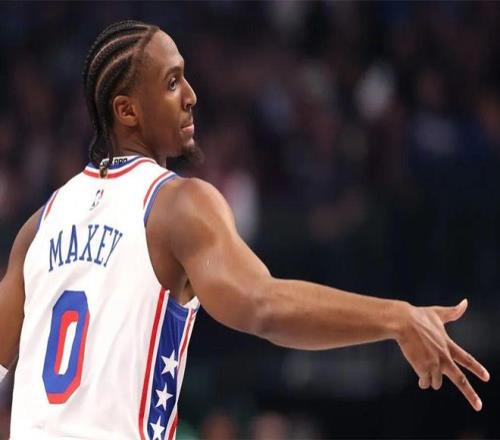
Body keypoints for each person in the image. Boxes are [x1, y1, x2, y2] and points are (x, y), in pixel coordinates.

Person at [0, 20, 490, 439]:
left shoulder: (38, 225)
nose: (191, 96)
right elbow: (263, 305)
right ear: (127, 110)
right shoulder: (176, 204)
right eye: (172, 83)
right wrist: (396, 317)